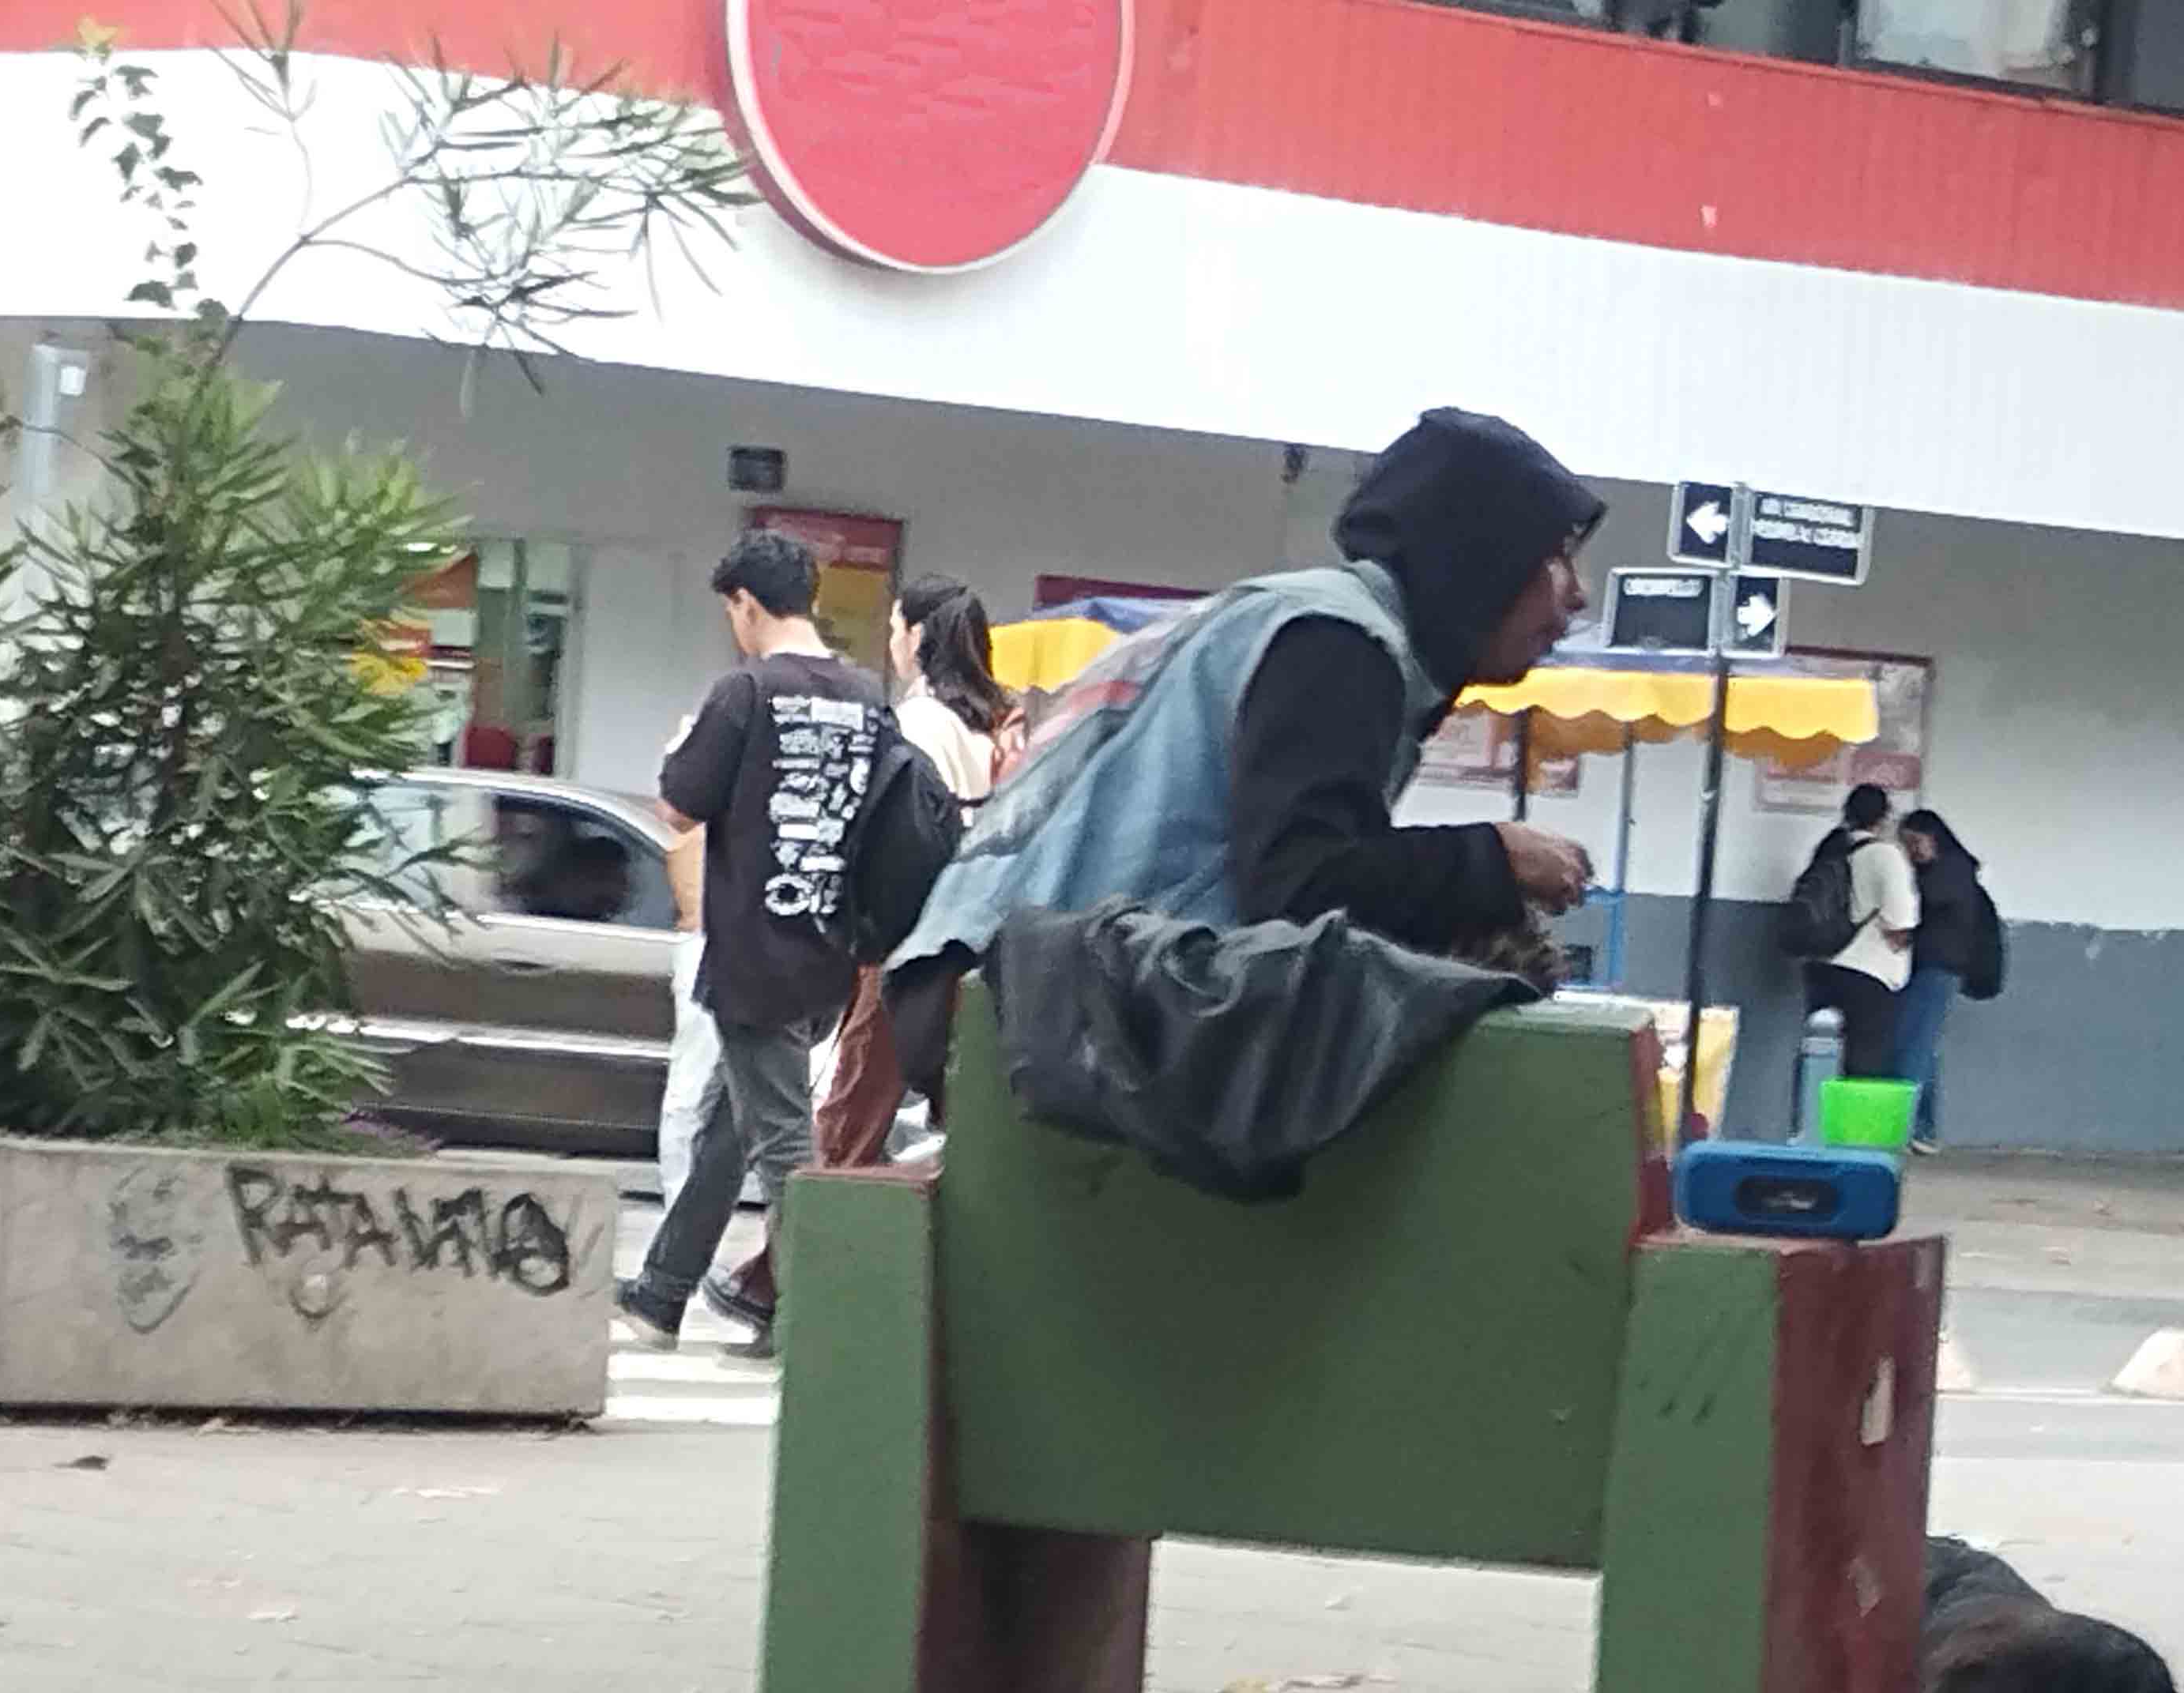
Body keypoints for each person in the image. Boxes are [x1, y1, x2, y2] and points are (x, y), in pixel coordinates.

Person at [901, 407, 1602, 995]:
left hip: (999, 977)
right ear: (1480, 552)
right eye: (1557, 556)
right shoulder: (1339, 643)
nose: (1578, 593)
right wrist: (1492, 858)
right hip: (1022, 998)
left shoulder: (1314, 622)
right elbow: (1301, 886)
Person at [720, 577, 1021, 1333]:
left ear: (917, 637)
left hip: (903, 942)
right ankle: (774, 1281)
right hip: (969, 942)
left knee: (850, 1116)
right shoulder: (993, 726)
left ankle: (789, 1288)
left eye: (895, 627)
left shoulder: (918, 721)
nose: (892, 641)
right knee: (932, 1116)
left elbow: (891, 835)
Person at [620, 531, 887, 1353]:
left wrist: (677, 751)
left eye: (730, 610)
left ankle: (817, 1320)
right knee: (731, 1129)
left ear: (745, 604)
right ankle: (664, 1290)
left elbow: (679, 807)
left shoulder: (744, 692)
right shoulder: (868, 694)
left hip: (751, 948)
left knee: (777, 1141)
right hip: (831, 949)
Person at [1893, 808, 1998, 1151]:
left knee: (1914, 1047)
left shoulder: (1949, 873)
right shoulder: (1956, 870)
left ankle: (1904, 1125)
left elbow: (1927, 902)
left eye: (1915, 843)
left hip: (1937, 968)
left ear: (1933, 838)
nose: (1912, 851)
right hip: (1933, 968)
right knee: (1922, 1047)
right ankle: (1923, 1128)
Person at [1801, 784, 1919, 1079]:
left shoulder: (1830, 848)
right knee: (1864, 1067)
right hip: (1869, 973)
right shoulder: (1886, 856)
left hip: (1823, 966)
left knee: (1819, 1058)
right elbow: (1900, 919)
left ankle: (1811, 1121)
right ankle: (1852, 1126)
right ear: (1884, 817)